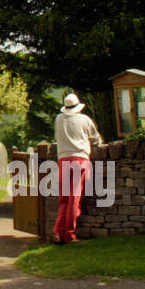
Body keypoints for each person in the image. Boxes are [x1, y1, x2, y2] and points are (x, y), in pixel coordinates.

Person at [53, 93, 102, 244]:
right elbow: (96, 139)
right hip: (80, 159)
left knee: (65, 199)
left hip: (64, 159)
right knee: (75, 199)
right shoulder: (84, 120)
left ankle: (58, 233)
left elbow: (56, 137)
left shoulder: (59, 119)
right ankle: (69, 234)